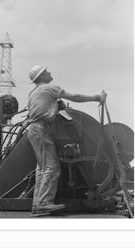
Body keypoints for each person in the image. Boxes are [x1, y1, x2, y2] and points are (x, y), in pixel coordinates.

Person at [27, 65, 106, 217]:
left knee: (42, 168)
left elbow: (42, 108)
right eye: (46, 71)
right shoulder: (49, 88)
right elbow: (75, 97)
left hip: (35, 130)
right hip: (42, 130)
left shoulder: (34, 92)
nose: (50, 72)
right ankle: (43, 204)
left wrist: (57, 106)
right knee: (52, 167)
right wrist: (96, 98)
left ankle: (38, 203)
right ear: (41, 76)